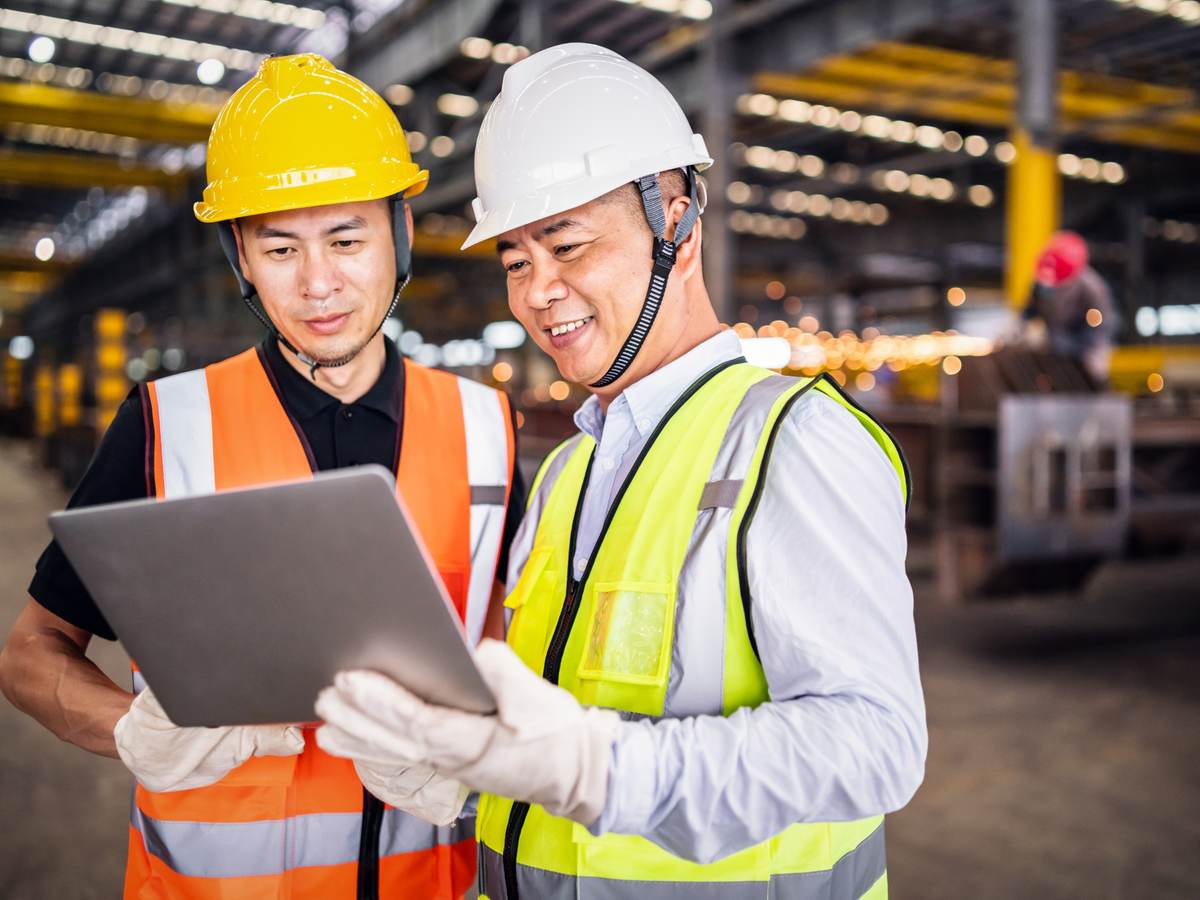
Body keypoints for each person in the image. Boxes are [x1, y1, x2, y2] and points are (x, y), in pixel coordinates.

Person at [314, 43, 925, 899]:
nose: (538, 293)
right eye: (518, 262)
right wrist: (459, 766)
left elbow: (875, 745)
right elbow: (547, 725)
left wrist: (599, 770)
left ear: (676, 223)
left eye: (567, 245)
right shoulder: (566, 471)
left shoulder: (794, 442)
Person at [0, 53, 522, 899]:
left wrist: (490, 751)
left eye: (347, 239)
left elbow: (532, 659)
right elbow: (31, 653)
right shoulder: (168, 425)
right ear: (240, 254)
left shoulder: (485, 430)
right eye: (281, 247)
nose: (319, 284)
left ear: (400, 232)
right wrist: (126, 729)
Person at [1022, 230, 1118, 383]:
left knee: (1093, 372)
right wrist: (1023, 328)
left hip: (1083, 342)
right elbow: (1028, 311)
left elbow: (1103, 325)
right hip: (1054, 342)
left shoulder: (1093, 288)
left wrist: (1096, 352)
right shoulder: (1042, 282)